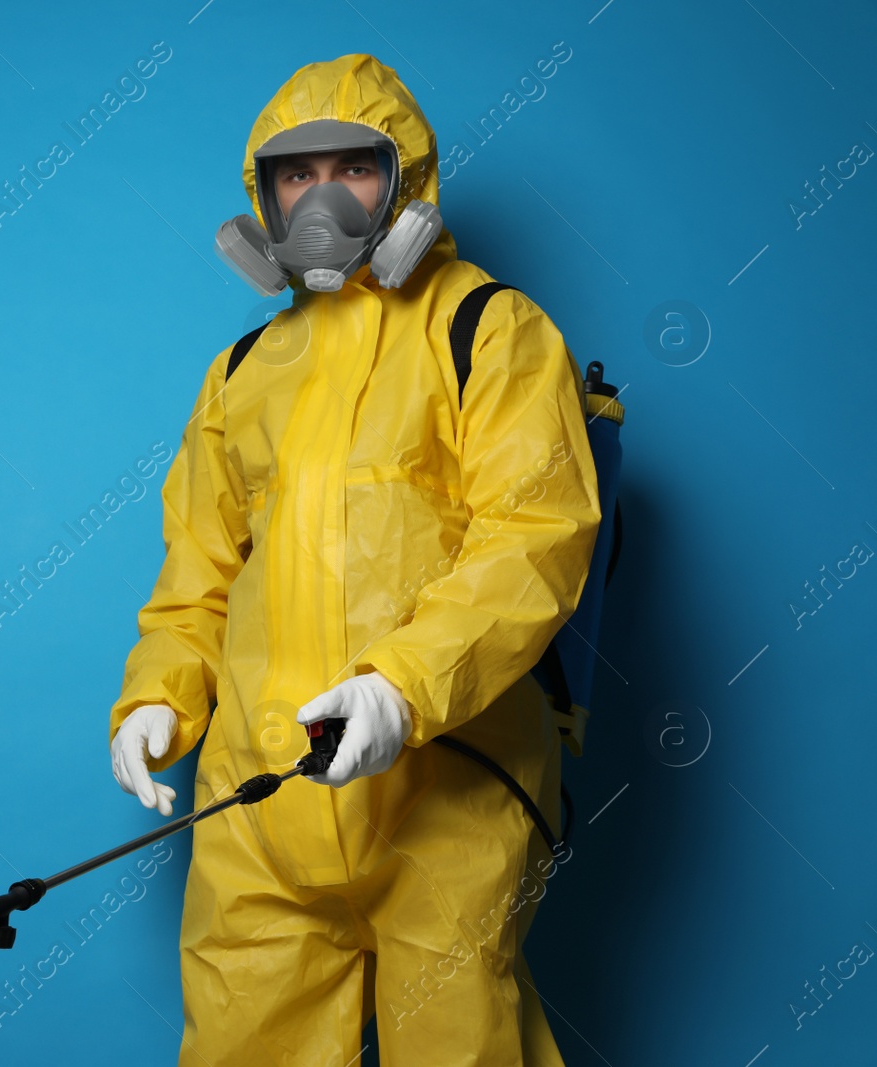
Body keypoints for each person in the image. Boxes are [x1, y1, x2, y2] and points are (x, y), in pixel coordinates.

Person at [108, 54, 600, 1066]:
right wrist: (159, 696)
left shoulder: (487, 330)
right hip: (259, 792)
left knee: (459, 1043)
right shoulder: (244, 370)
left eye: (353, 168)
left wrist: (400, 686)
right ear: (264, 195)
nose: (323, 197)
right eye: (295, 174)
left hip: (448, 778)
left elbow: (537, 537)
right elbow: (197, 571)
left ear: (406, 180)